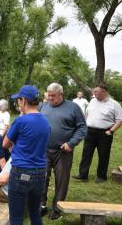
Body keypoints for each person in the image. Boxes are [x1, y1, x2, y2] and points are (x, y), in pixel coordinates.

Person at [3, 85, 50, 225]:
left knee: (16, 217)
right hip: (40, 172)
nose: (17, 103)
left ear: (23, 100)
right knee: (35, 212)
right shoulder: (45, 120)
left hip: (21, 172)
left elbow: (5, 144)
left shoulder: (20, 120)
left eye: (18, 100)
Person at [39, 83, 87, 220]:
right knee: (41, 177)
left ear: (61, 94)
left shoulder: (73, 107)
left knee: (62, 180)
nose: (50, 98)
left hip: (63, 151)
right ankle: (41, 205)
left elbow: (82, 128)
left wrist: (71, 143)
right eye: (48, 95)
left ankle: (57, 208)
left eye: (53, 96)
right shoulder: (43, 106)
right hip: (44, 149)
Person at [74, 84, 122, 182]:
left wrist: (111, 131)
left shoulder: (114, 104)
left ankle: (101, 177)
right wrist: (85, 125)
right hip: (90, 131)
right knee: (86, 154)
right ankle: (83, 175)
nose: (94, 93)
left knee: (103, 155)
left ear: (104, 92)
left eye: (96, 92)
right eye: (94, 91)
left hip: (104, 133)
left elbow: (120, 119)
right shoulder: (93, 101)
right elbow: (88, 113)